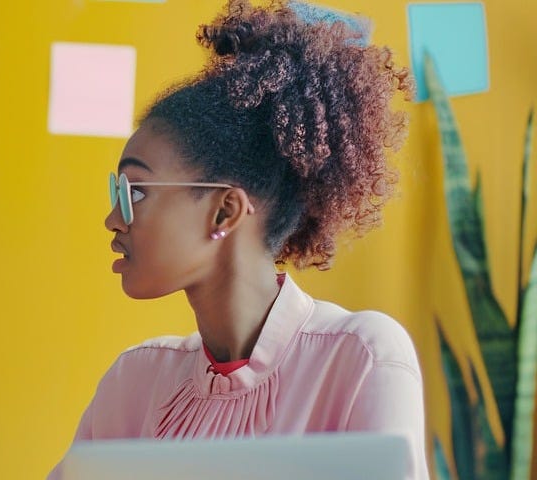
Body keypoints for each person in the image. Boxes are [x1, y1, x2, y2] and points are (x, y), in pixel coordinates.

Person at [49, 1, 426, 478]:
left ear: (224, 209)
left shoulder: (361, 358)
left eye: (134, 191)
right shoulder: (133, 381)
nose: (112, 219)